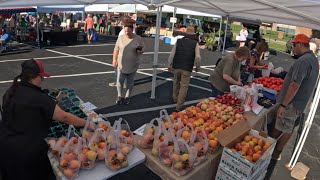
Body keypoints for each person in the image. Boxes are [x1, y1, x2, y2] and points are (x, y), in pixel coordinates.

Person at [0, 59, 95, 180]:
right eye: (42, 77)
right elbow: (65, 117)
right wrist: (88, 123)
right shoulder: (38, 97)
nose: (43, 80)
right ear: (35, 77)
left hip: (6, 148)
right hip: (27, 155)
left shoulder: (10, 91)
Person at [271, 34, 319, 160]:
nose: (292, 48)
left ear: (300, 44)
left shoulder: (303, 61)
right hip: (300, 102)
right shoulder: (313, 59)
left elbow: (294, 85)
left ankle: (274, 152)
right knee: (288, 127)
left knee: (282, 126)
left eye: (294, 45)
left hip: (292, 103)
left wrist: (283, 105)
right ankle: (277, 151)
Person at [112, 25, 145, 105]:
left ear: (132, 30)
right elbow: (116, 49)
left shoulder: (138, 38)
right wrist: (114, 60)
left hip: (133, 64)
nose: (127, 33)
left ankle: (127, 97)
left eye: (129, 31)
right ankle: (119, 96)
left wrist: (140, 50)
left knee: (130, 82)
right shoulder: (120, 38)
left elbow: (143, 48)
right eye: (125, 31)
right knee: (120, 81)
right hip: (121, 64)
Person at [168, 34, 201, 111]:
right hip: (187, 68)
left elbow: (172, 53)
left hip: (176, 66)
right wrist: (197, 67)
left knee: (176, 82)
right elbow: (198, 57)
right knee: (184, 86)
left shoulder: (179, 41)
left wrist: (169, 64)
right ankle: (179, 105)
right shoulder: (195, 43)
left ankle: (175, 98)